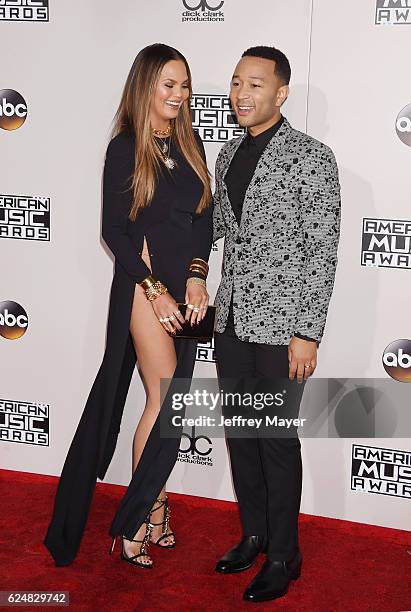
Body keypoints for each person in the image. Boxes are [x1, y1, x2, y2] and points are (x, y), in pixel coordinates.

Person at [44, 43, 213, 569]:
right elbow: (113, 232)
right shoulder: (125, 147)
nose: (179, 95)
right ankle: (137, 518)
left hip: (187, 293)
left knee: (171, 405)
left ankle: (155, 510)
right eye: (168, 84)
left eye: (184, 85)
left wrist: (196, 276)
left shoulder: (190, 143)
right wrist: (155, 286)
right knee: (164, 403)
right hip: (144, 289)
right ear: (145, 86)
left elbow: (204, 219)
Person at [212, 46, 341, 602]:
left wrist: (307, 332)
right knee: (241, 436)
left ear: (281, 92)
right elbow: (217, 228)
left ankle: (285, 555)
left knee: (276, 441)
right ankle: (255, 534)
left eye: (256, 84)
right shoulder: (225, 153)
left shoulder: (313, 157)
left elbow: (322, 250)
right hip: (233, 318)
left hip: (283, 327)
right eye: (237, 83)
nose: (242, 94)